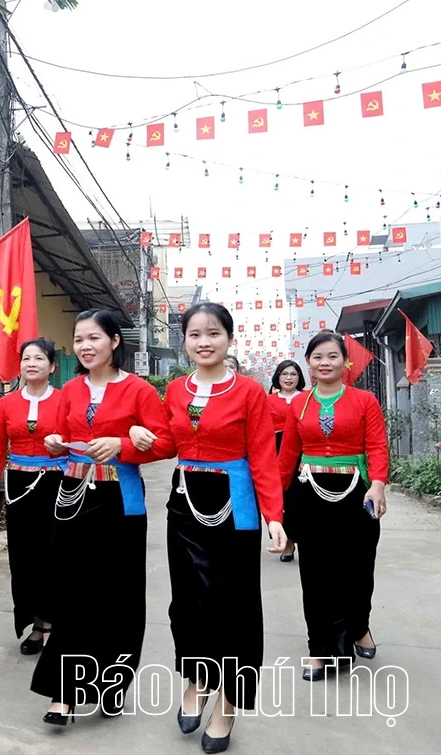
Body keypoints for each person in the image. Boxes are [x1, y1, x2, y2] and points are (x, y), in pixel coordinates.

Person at [132, 304, 286, 754]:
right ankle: (198, 679)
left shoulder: (250, 393)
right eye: (195, 334)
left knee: (235, 608)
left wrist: (274, 517)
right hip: (184, 507)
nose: (204, 341)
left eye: (213, 333)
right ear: (184, 340)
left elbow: (262, 456)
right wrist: (140, 441)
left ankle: (229, 703)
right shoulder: (176, 390)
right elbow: (168, 443)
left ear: (229, 339)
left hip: (234, 508)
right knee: (189, 603)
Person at [34, 309, 174, 726]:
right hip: (73, 496)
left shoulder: (140, 391)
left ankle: (113, 684)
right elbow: (56, 441)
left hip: (121, 500)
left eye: (94, 338)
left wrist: (123, 444)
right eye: (79, 339)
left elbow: (166, 443)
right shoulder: (70, 390)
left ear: (115, 341)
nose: (85, 346)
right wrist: (55, 443)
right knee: (72, 592)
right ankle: (63, 693)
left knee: (120, 596)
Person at [278, 332, 388, 681]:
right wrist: (275, 505)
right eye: (317, 357)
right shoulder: (299, 404)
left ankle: (359, 628)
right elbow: (287, 455)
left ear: (345, 362)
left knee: (358, 570)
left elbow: (377, 447)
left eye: (332, 356)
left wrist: (379, 486)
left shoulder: (364, 400)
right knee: (315, 574)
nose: (325, 363)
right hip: (310, 493)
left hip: (357, 493)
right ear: (308, 363)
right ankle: (319, 650)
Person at [0, 339, 65, 655]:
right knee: (25, 557)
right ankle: (37, 625)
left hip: (57, 484)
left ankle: (55, 624)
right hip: (19, 486)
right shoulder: (7, 404)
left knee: (54, 555)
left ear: (52, 366)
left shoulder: (65, 401)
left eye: (39, 358)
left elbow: (81, 442)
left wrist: (63, 447)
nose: (31, 363)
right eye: (26, 358)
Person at [269, 360, 307, 563]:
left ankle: (308, 540)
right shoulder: (269, 401)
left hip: (305, 451)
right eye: (285, 374)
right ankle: (288, 541)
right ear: (278, 377)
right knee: (283, 498)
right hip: (277, 453)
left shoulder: (308, 398)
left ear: (299, 378)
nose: (289, 378)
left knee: (303, 499)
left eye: (293, 374)